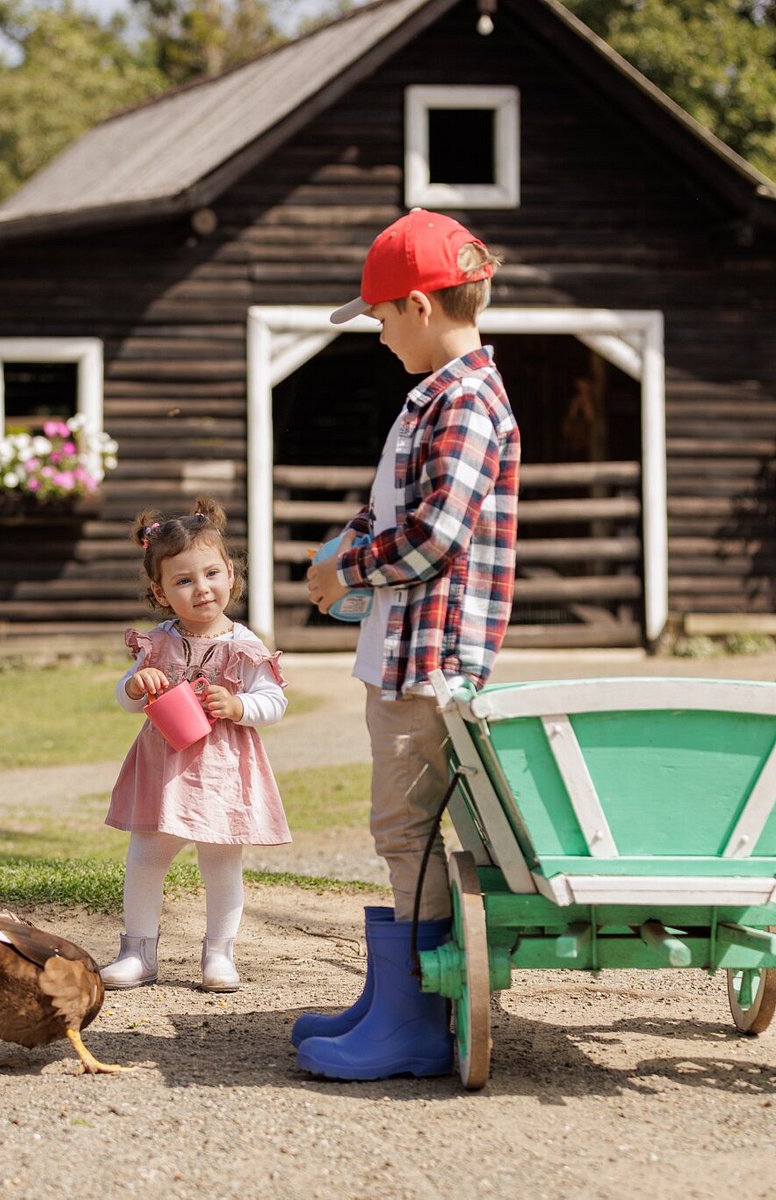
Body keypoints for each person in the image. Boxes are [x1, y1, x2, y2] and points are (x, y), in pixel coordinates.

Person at [296, 208, 520, 1080]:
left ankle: (415, 1022)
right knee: (403, 825)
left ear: (420, 306)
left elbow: (434, 537)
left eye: (383, 318)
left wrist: (347, 570)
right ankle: (389, 1001)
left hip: (428, 661)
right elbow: (399, 511)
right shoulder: (435, 399)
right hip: (404, 649)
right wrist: (341, 553)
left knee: (408, 828)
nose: (382, 336)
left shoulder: (464, 400)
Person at [101, 497, 290, 993]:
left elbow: (275, 701)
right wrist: (137, 686)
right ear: (160, 592)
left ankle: (219, 953)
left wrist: (242, 706)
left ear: (230, 573)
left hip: (223, 769)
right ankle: (138, 950)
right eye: (183, 581)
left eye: (210, 574)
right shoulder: (157, 643)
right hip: (165, 768)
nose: (201, 589)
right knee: (146, 855)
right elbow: (124, 697)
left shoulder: (243, 644)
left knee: (221, 859)